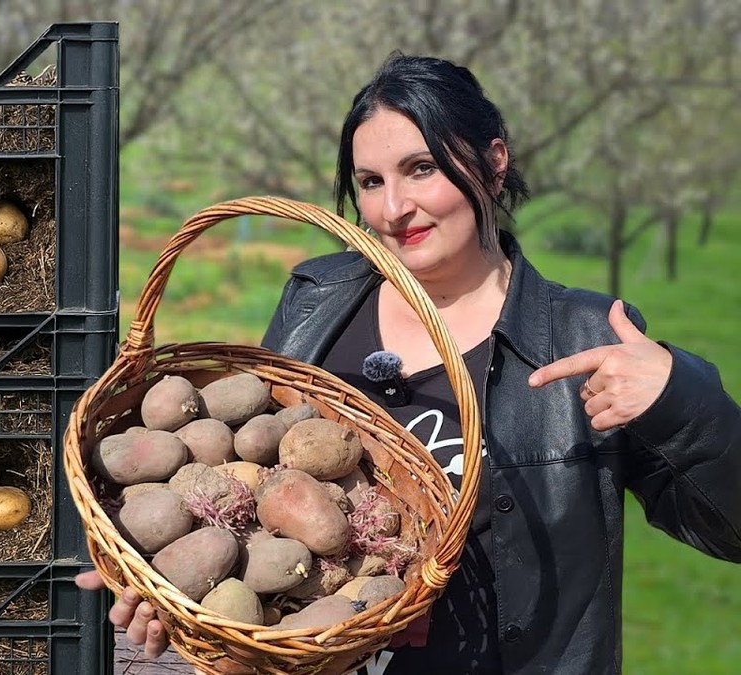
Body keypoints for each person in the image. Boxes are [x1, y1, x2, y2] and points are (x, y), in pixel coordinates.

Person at [76, 53, 741, 674]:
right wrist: (164, 586)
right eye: (370, 181)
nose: (394, 208)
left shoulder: (580, 336)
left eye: (421, 168)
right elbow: (254, 500)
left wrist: (682, 402)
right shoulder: (317, 302)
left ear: (494, 162)